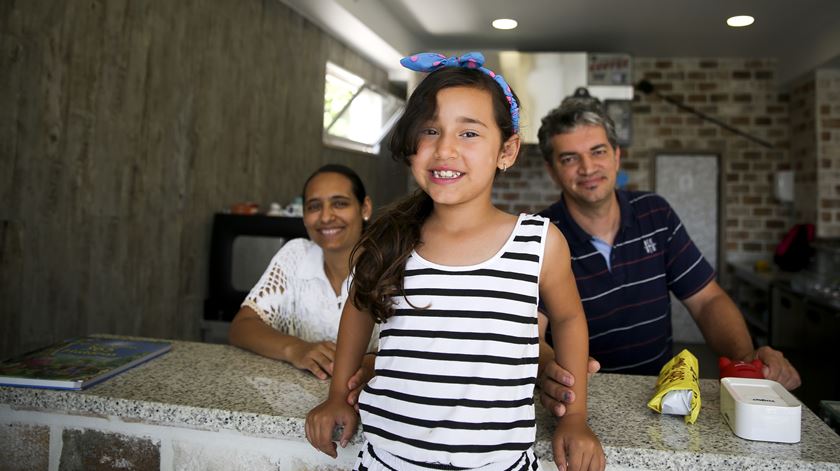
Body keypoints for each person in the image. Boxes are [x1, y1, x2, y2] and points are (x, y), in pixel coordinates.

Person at [305, 52, 605, 471]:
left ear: (507, 150)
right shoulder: (390, 238)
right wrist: (337, 395)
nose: (444, 148)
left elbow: (570, 320)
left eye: (468, 133)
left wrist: (574, 419)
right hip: (388, 460)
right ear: (411, 147)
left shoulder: (539, 242)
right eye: (430, 130)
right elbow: (357, 311)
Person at [534, 97, 802, 416]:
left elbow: (707, 301)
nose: (588, 168)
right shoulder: (540, 235)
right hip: (579, 401)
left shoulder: (656, 214)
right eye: (569, 158)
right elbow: (530, 333)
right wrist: (554, 371)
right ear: (552, 170)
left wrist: (747, 363)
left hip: (661, 398)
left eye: (598, 151)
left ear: (617, 156)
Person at [228, 164, 377, 383]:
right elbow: (241, 327)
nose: (326, 217)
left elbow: (418, 348)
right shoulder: (296, 255)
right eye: (314, 206)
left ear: (364, 208)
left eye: (339, 203)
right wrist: (296, 349)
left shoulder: (390, 264)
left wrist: (370, 365)